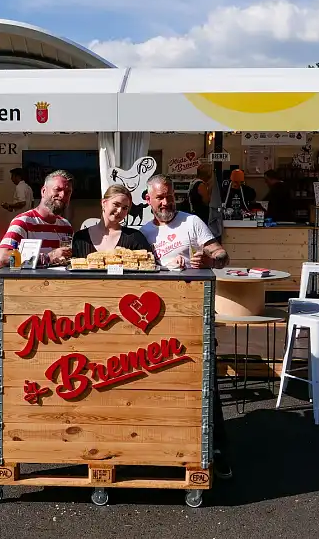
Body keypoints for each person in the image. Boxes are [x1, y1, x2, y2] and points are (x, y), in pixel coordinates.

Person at [139, 174, 234, 479]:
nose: (165, 202)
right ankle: (165, 450)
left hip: (196, 313)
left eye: (168, 196)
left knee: (207, 384)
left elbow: (222, 254)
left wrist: (209, 258)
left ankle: (217, 452)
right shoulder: (142, 233)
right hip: (157, 321)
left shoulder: (192, 222)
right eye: (159, 198)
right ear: (148, 200)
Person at [0, 170, 74, 268]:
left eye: (68, 192)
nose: (62, 195)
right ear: (43, 191)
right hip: (31, 283)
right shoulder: (23, 222)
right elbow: (2, 258)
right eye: (57, 189)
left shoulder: (66, 226)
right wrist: (47, 257)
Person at [72, 184, 154, 256]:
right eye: (116, 204)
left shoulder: (135, 237)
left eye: (125, 208)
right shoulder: (81, 238)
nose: (119, 211)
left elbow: (148, 267)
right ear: (104, 203)